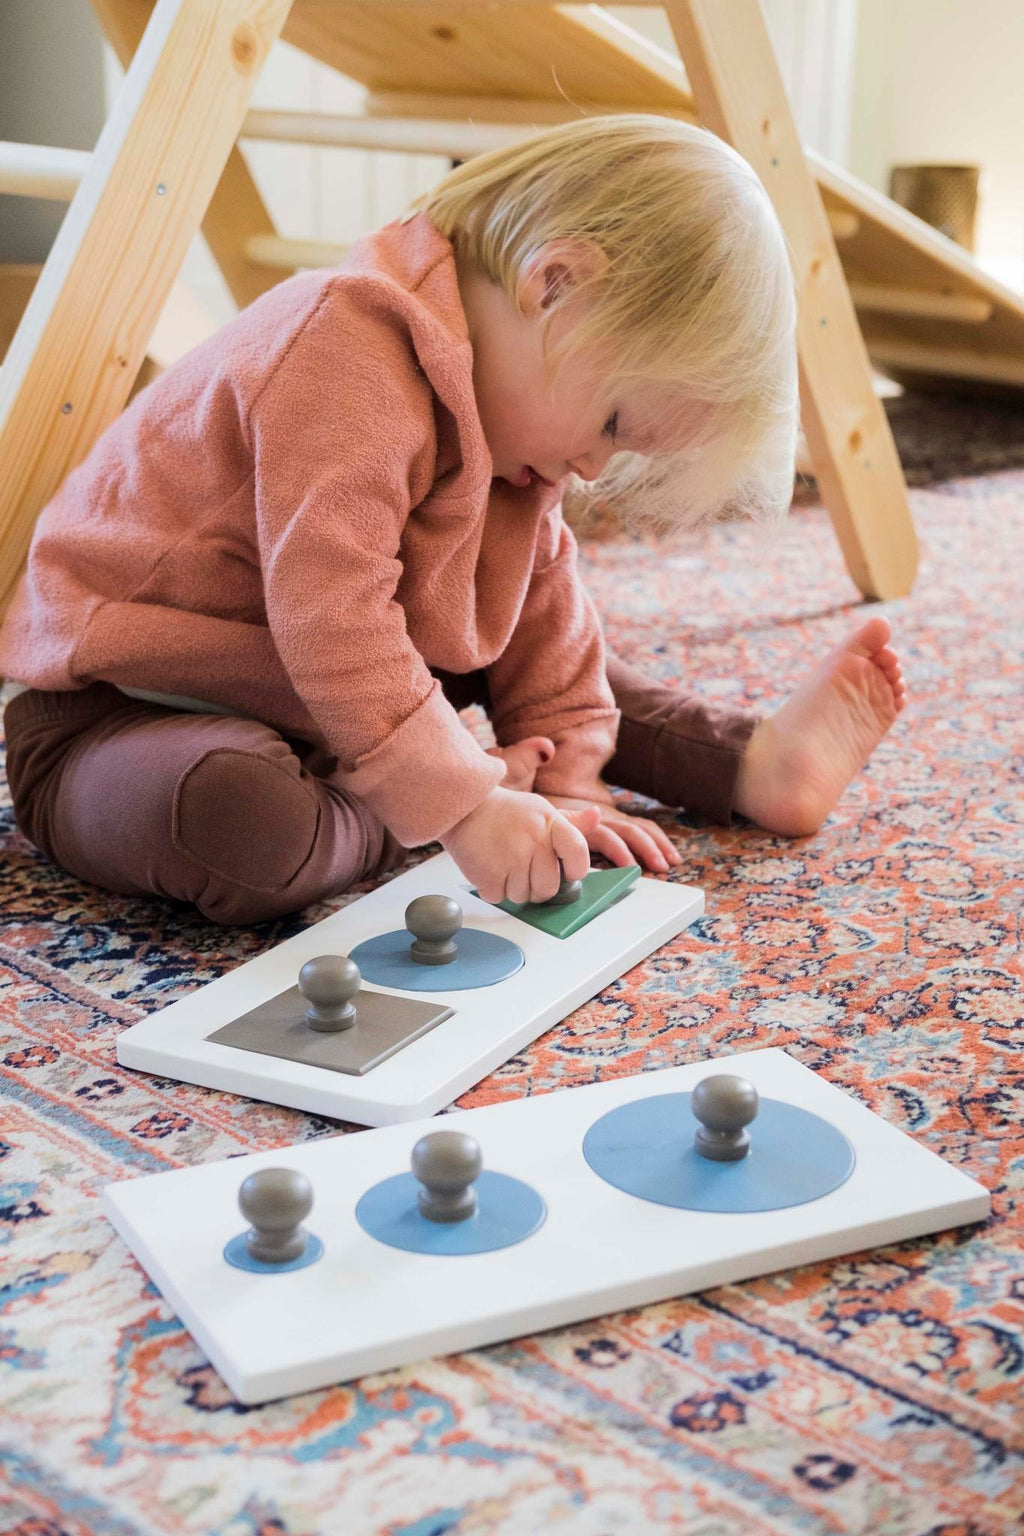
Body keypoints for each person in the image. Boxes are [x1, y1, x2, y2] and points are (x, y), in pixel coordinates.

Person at [0, 115, 905, 926]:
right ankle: (396, 808)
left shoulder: (513, 426)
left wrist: (566, 777)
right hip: (123, 716)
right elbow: (333, 612)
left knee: (528, 641)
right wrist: (468, 808)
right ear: (555, 284)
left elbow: (548, 621)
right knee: (245, 822)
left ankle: (755, 764)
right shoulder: (342, 344)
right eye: (614, 425)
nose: (593, 466)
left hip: (329, 701)